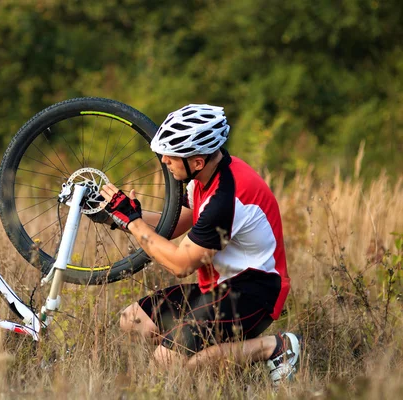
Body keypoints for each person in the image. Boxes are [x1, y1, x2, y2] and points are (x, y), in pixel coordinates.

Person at [97, 104, 302, 385]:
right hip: (219, 286)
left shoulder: (226, 199)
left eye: (171, 156)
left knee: (166, 364)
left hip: (254, 291)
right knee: (133, 321)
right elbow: (171, 227)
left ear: (196, 161)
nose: (164, 160)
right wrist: (116, 213)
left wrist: (132, 222)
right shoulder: (205, 177)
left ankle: (275, 347)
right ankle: (199, 352)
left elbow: (180, 264)